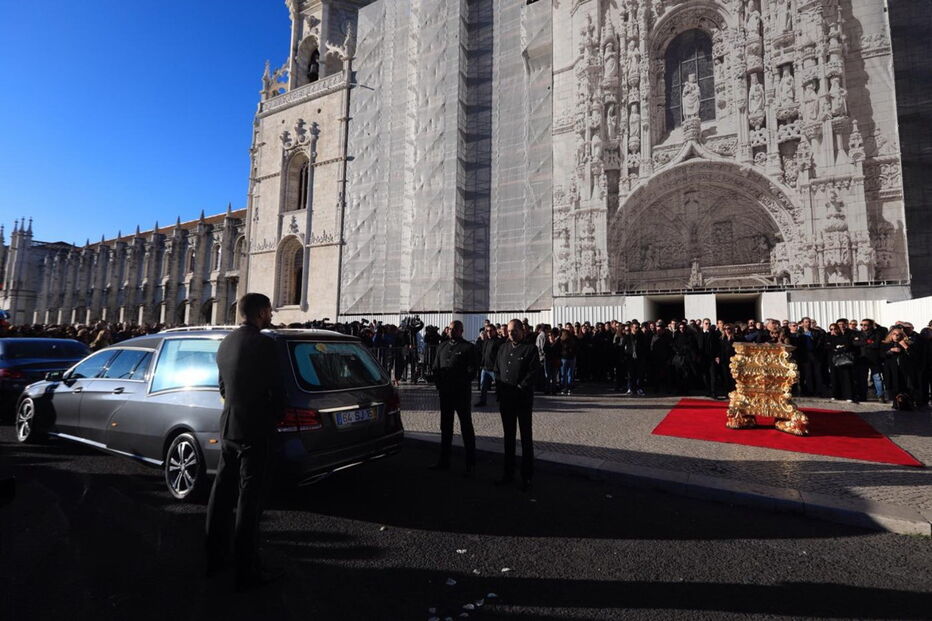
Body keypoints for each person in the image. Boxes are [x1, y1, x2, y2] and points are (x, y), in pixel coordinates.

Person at [206, 293, 286, 590]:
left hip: (229, 427)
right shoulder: (266, 344)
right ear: (262, 312)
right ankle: (246, 569)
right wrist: (273, 416)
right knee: (250, 502)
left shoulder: (225, 343)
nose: (271, 315)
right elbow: (278, 391)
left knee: (222, 495)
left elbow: (223, 387)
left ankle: (214, 557)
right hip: (256, 429)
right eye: (269, 311)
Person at [493, 319, 540, 491]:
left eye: (515, 331)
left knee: (526, 439)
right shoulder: (503, 348)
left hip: (522, 400)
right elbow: (497, 371)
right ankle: (508, 473)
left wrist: (520, 387)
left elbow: (533, 373)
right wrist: (499, 390)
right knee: (508, 438)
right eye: (509, 331)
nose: (511, 333)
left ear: (522, 331)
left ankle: (527, 476)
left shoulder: (530, 349)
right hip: (506, 400)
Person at [431, 320, 478, 474]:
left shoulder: (468, 347)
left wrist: (457, 381)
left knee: (466, 427)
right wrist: (439, 382)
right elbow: (436, 367)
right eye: (449, 329)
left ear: (461, 330)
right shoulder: (442, 346)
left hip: (461, 393)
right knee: (446, 427)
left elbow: (471, 371)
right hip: (445, 393)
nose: (451, 331)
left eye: (455, 329)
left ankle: (470, 463)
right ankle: (444, 461)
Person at [475, 324, 502, 406]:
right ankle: (482, 401)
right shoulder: (486, 341)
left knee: (500, 386)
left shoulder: (498, 342)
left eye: (491, 331)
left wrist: (498, 367)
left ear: (495, 331)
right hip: (485, 368)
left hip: (494, 369)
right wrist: (481, 364)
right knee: (483, 386)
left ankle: (502, 401)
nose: (489, 332)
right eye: (487, 331)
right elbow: (484, 354)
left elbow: (500, 356)